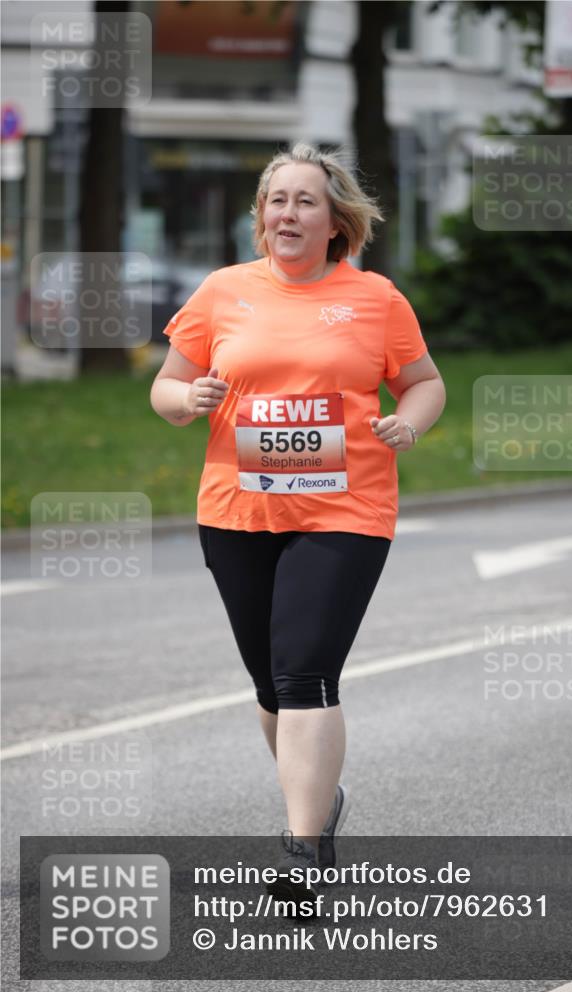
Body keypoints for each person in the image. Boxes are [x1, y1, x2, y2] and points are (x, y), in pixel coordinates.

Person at [150, 142, 446, 908]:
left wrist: (407, 426)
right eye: (277, 199)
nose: (288, 213)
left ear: (334, 219)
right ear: (261, 215)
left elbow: (422, 382)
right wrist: (189, 403)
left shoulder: (375, 299)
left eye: (305, 200)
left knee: (305, 669)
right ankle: (320, 802)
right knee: (269, 684)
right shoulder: (222, 292)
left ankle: (302, 847)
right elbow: (168, 384)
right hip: (236, 510)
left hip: (346, 509)